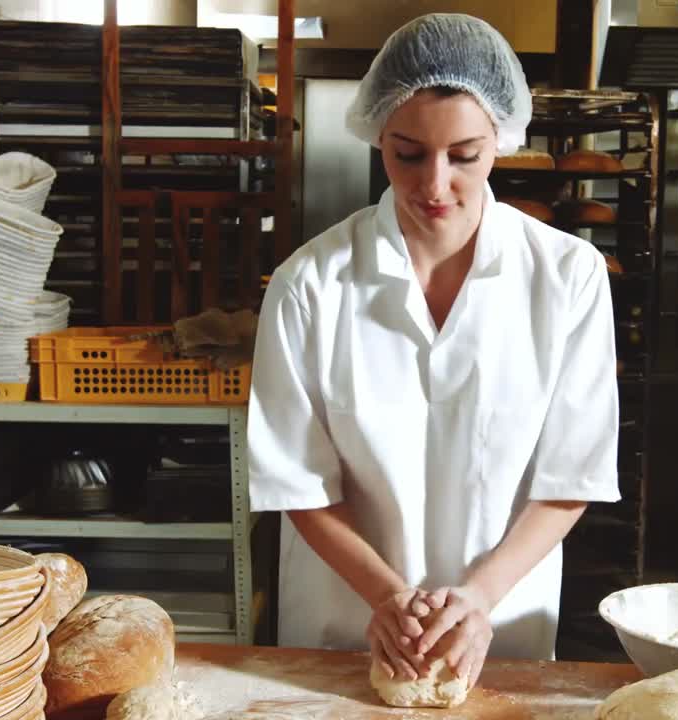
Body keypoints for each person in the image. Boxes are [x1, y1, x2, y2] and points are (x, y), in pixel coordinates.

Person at [246, 12, 620, 691]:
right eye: (407, 153)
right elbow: (298, 481)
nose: (435, 184)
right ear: (376, 137)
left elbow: (572, 475)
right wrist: (387, 597)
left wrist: (477, 598)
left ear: (502, 140)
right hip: (343, 621)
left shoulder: (568, 277)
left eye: (465, 155)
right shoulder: (312, 283)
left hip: (502, 622)